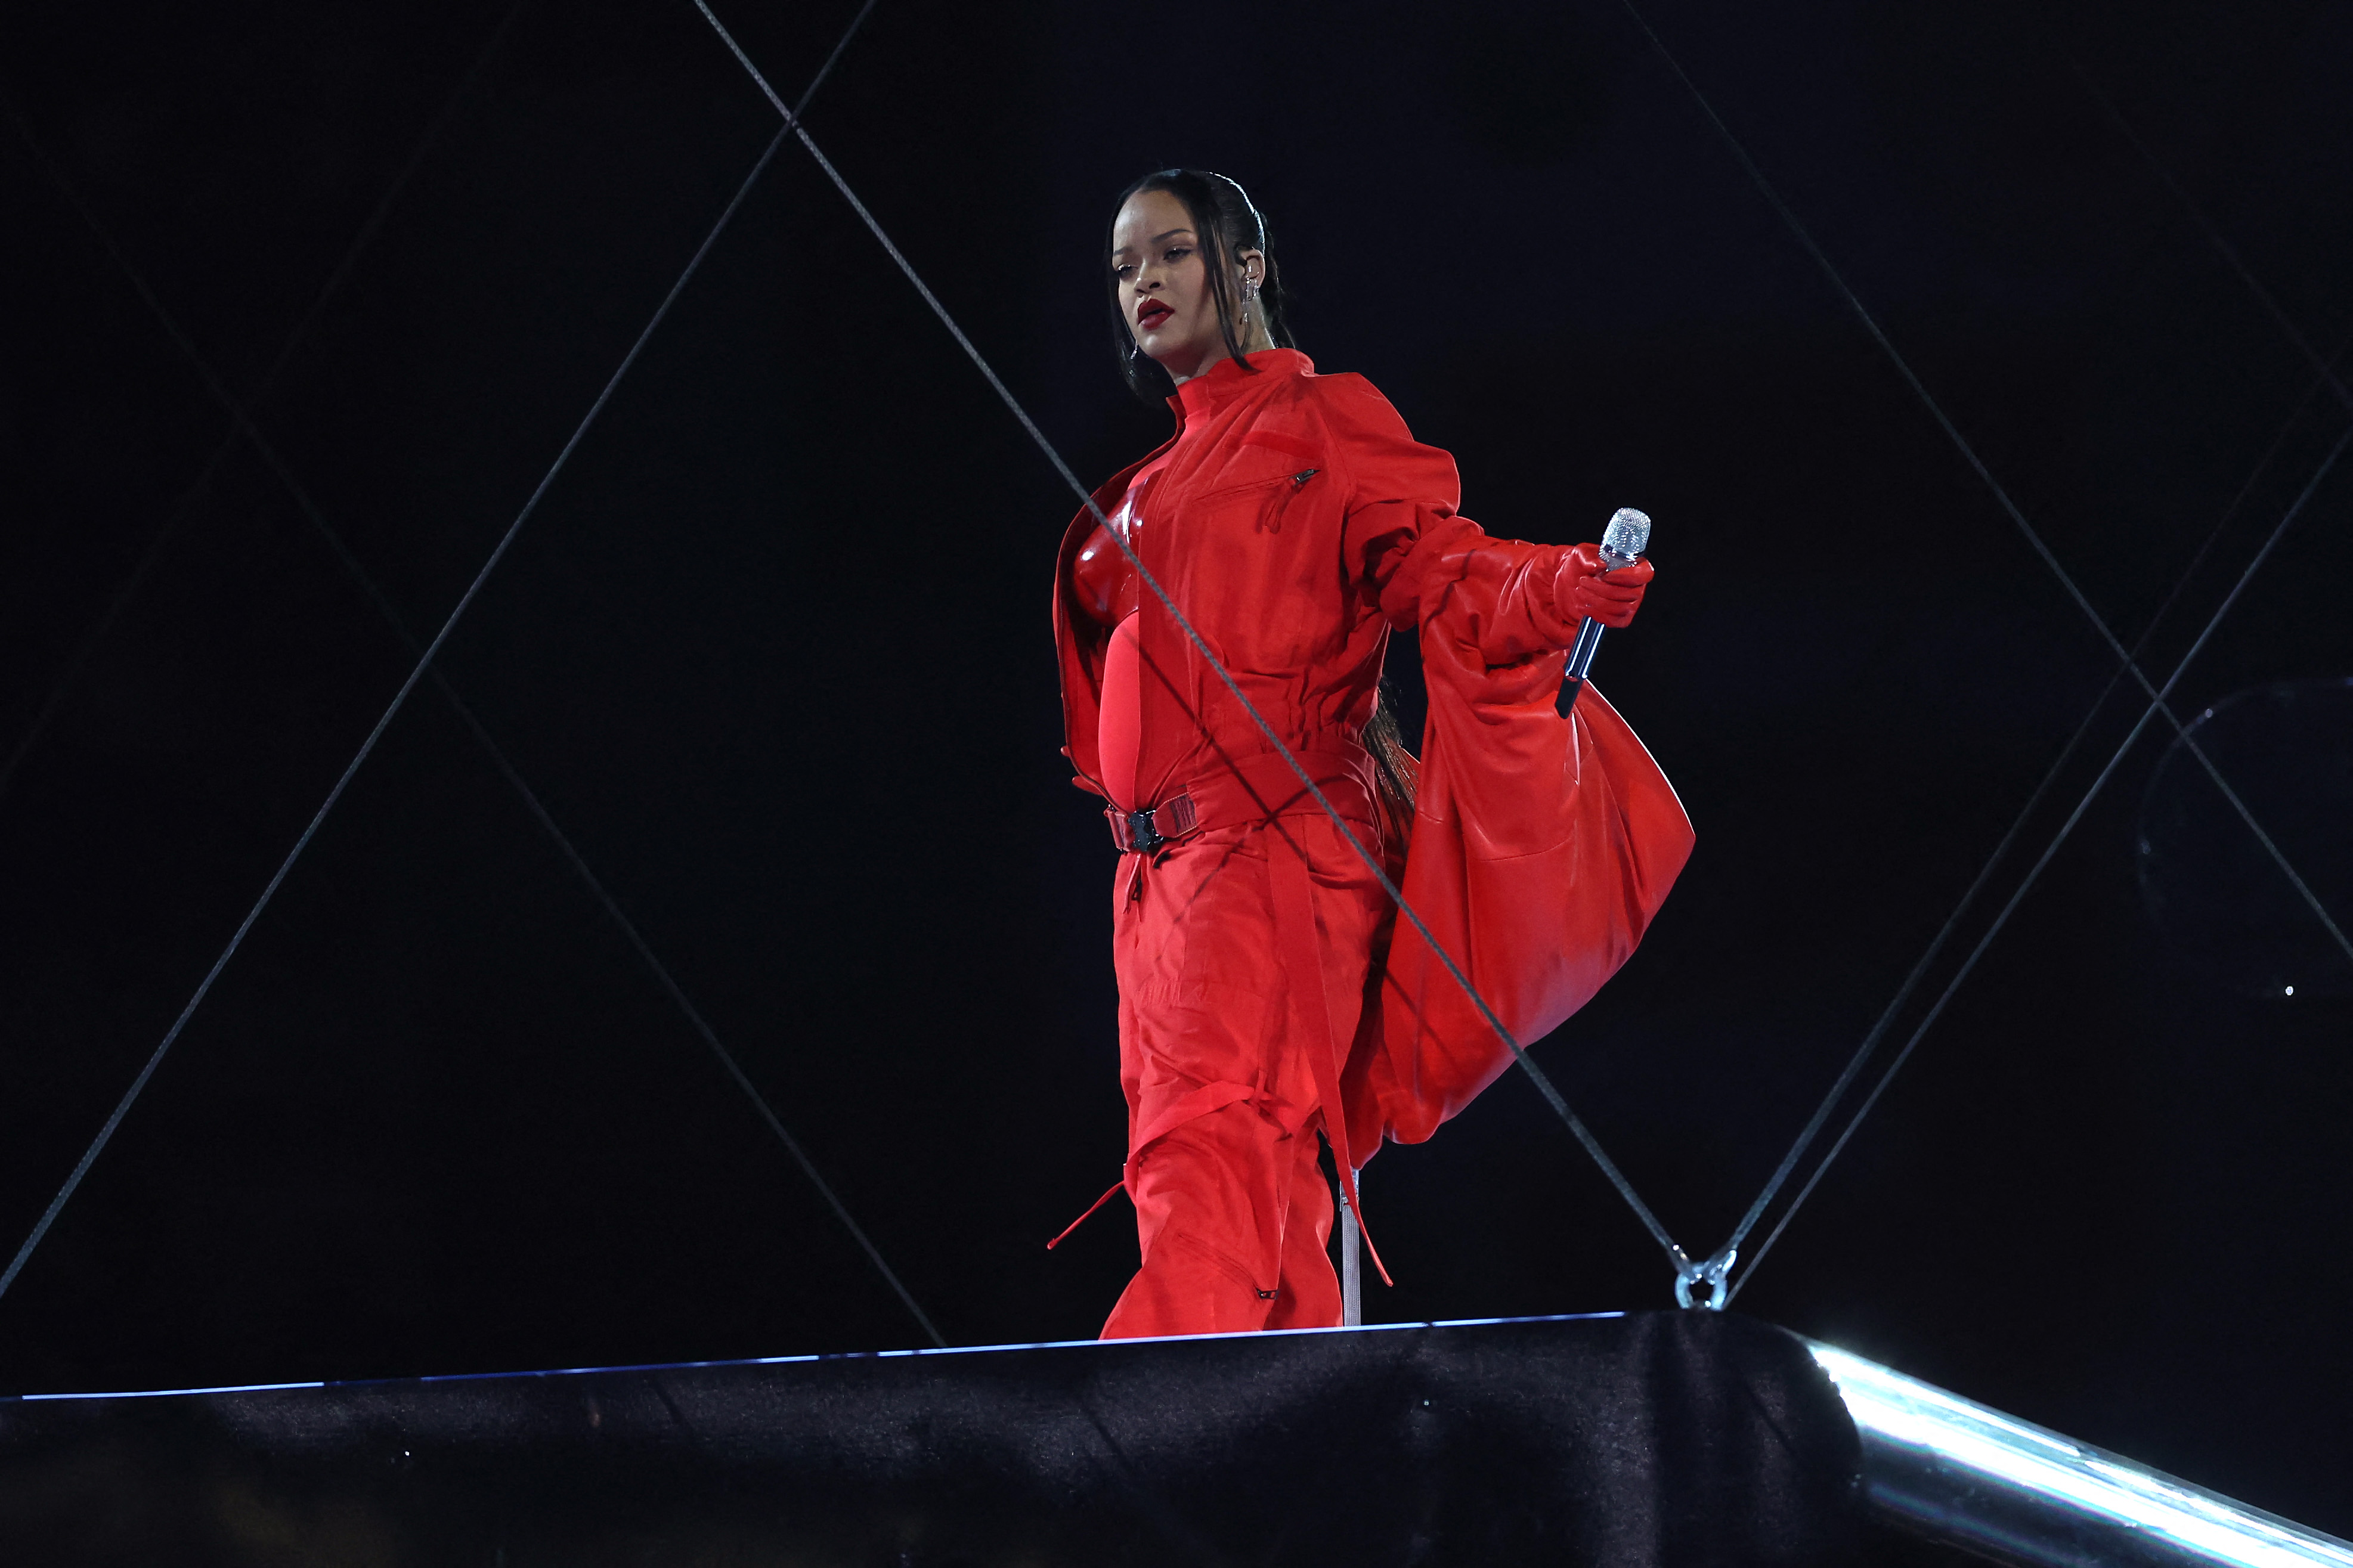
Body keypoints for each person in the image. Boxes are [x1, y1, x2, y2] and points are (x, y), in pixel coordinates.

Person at [1050, 169, 1693, 1338]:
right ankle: (1267, 1446)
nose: (1140, 281)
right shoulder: (1147, 482)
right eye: (1121, 267)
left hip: (1269, 854)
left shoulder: (1318, 423)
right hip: (1155, 886)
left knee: (1215, 1142)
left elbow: (1435, 565)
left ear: (1242, 269)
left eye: (1169, 254)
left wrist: (1551, 583)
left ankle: (1161, 1438)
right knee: (1220, 1160)